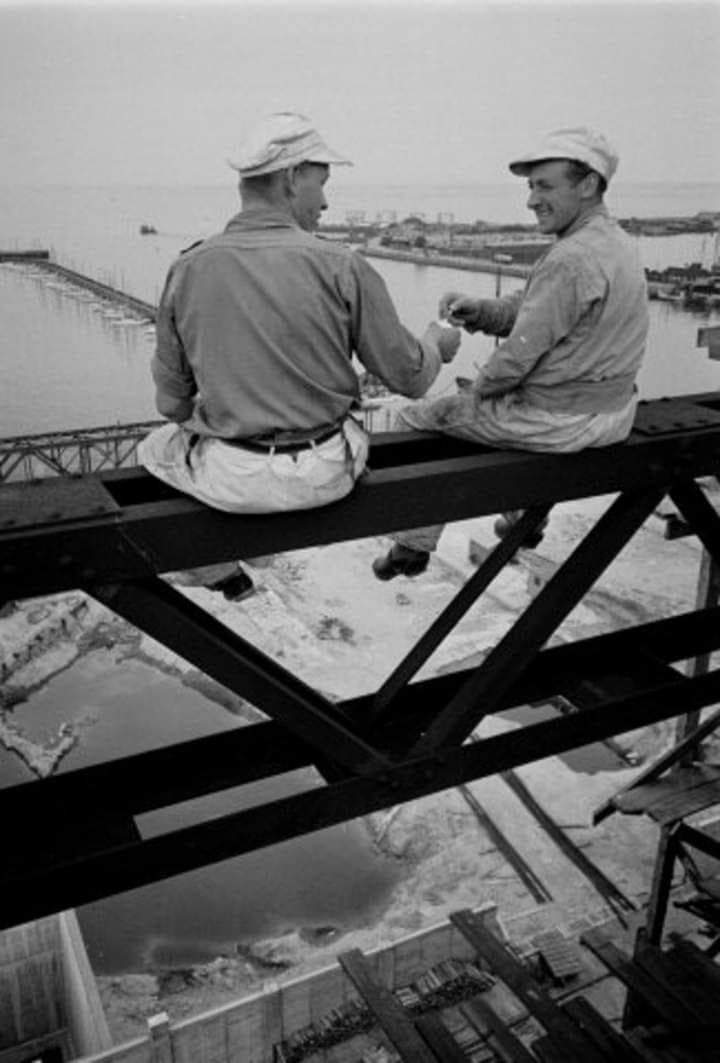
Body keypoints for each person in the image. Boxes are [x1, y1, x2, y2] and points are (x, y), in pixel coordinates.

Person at [138, 112, 460, 599]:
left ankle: (218, 571)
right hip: (327, 471)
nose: (326, 202)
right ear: (291, 178)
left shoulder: (189, 267)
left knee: (153, 450)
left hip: (234, 481)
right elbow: (411, 379)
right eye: (321, 183)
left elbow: (171, 405)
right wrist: (437, 342)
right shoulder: (342, 264)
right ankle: (411, 545)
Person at [373, 126, 649, 581]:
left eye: (545, 187)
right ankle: (525, 519)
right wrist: (483, 311)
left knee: (421, 420)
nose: (531, 200)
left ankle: (412, 546)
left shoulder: (570, 258)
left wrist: (475, 394)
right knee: (482, 415)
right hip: (612, 413)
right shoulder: (614, 243)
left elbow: (517, 356)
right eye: (531, 187)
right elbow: (540, 310)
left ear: (587, 184)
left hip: (560, 423)